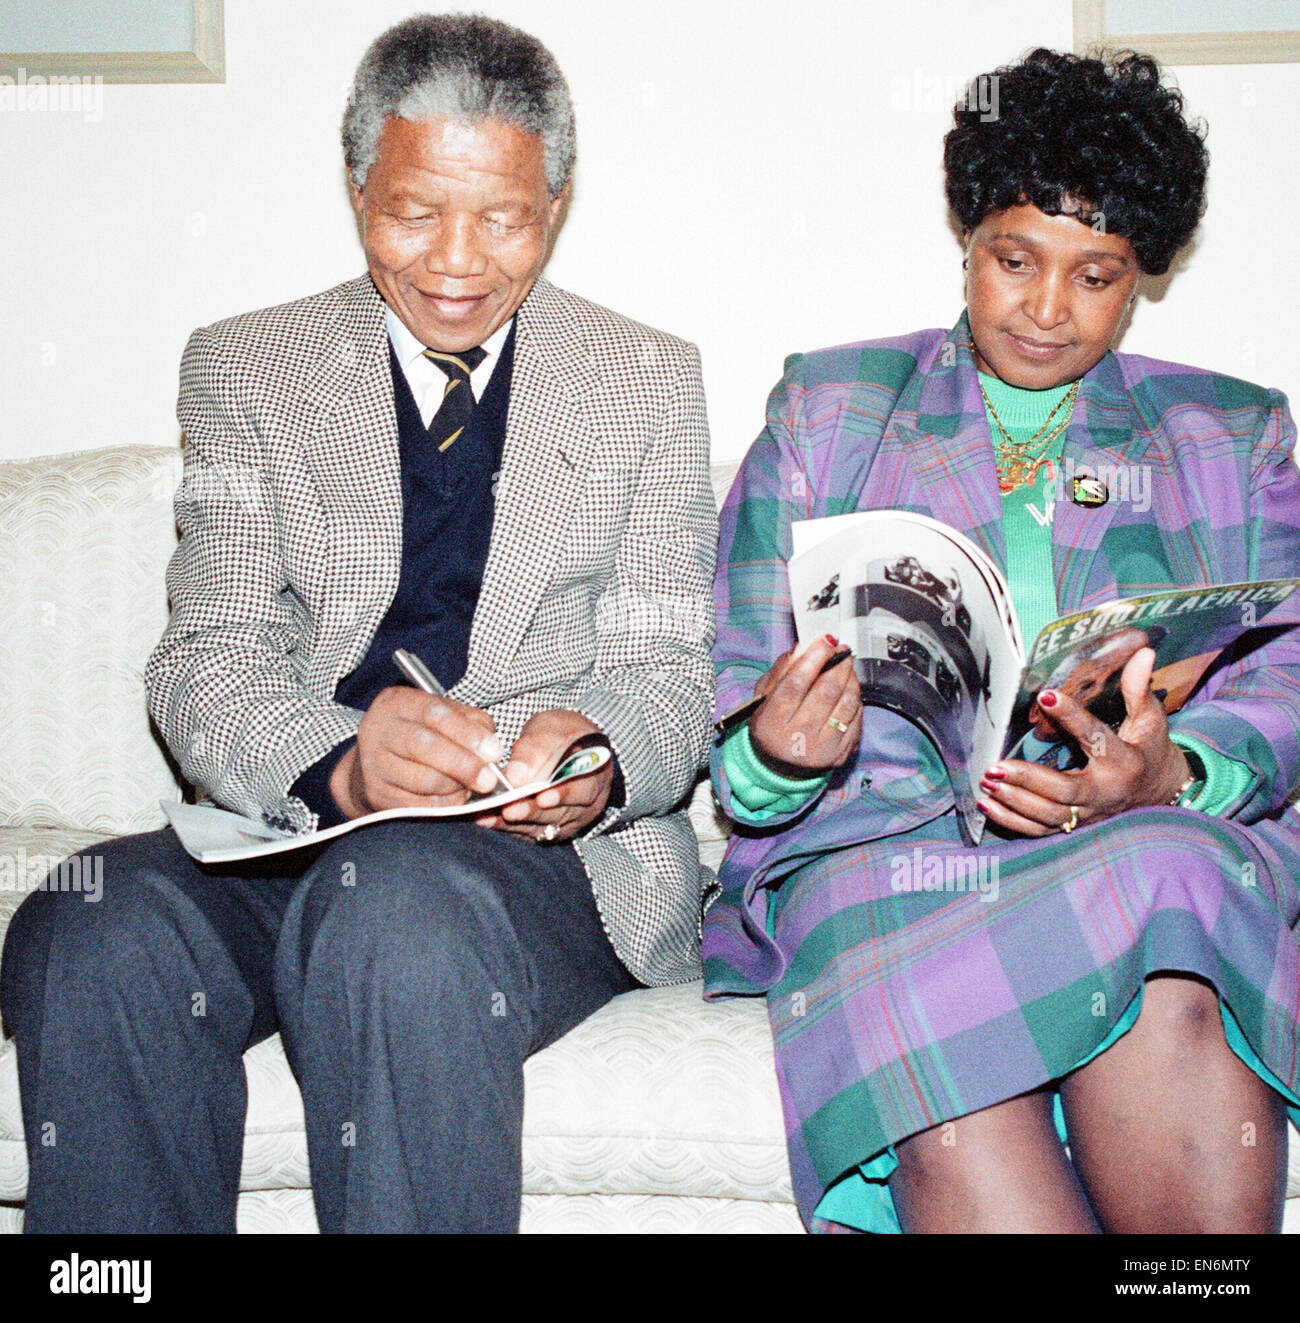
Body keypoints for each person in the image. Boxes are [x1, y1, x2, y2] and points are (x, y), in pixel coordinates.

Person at [0, 13, 715, 1234]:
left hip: (528, 868)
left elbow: (666, 670)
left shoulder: (644, 379)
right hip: (293, 835)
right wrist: (338, 763)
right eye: (412, 211)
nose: (455, 260)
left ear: (556, 202)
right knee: (85, 917)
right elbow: (205, 655)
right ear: (354, 192)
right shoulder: (244, 367)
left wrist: (590, 755)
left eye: (502, 217)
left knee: (393, 912)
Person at [704, 48, 1300, 1234]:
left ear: (1142, 284)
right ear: (967, 242)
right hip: (886, 849)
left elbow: (1287, 670)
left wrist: (1169, 774)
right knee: (930, 1017)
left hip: (1137, 840)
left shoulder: (1228, 433)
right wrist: (779, 749)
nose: (1043, 307)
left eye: (1096, 277)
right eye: (1013, 260)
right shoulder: (829, 413)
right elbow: (732, 721)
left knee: (1171, 869)